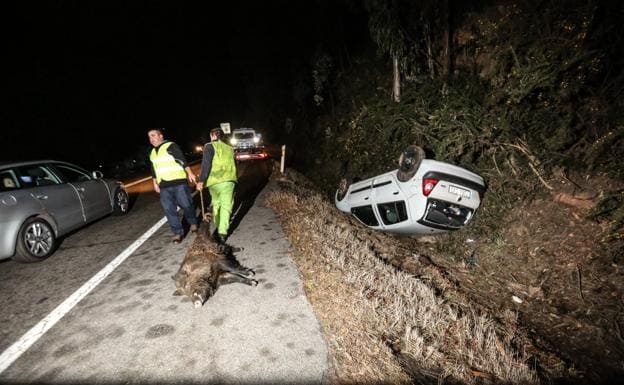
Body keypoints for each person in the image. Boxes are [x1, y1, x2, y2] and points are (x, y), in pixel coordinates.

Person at [147, 128, 198, 243]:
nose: (151, 139)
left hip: (178, 182)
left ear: (161, 136)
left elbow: (181, 160)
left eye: (153, 135)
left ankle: (193, 223)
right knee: (169, 209)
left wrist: (190, 173)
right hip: (164, 185)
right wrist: (155, 183)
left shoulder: (171, 146)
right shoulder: (152, 153)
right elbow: (153, 169)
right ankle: (177, 233)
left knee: (187, 205)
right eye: (150, 137)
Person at [196, 128, 237, 245]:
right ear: (222, 136)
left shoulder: (209, 146)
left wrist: (201, 181)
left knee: (216, 204)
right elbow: (234, 164)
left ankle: (219, 228)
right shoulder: (229, 148)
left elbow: (206, 164)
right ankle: (222, 233)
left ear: (212, 135)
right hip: (229, 181)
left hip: (214, 182)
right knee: (226, 206)